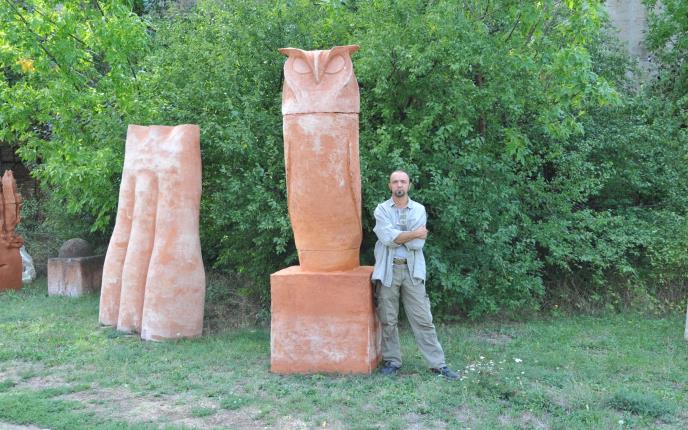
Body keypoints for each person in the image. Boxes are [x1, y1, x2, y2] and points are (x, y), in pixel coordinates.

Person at [372, 170, 459, 379]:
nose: (399, 185)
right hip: (388, 270)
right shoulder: (381, 209)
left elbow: (417, 244)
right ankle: (392, 361)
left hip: (412, 271)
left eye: (403, 181)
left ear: (409, 185)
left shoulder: (419, 209)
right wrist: (412, 233)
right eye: (395, 182)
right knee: (388, 319)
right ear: (390, 185)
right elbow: (387, 238)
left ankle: (437, 364)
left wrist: (399, 236)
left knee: (423, 319)